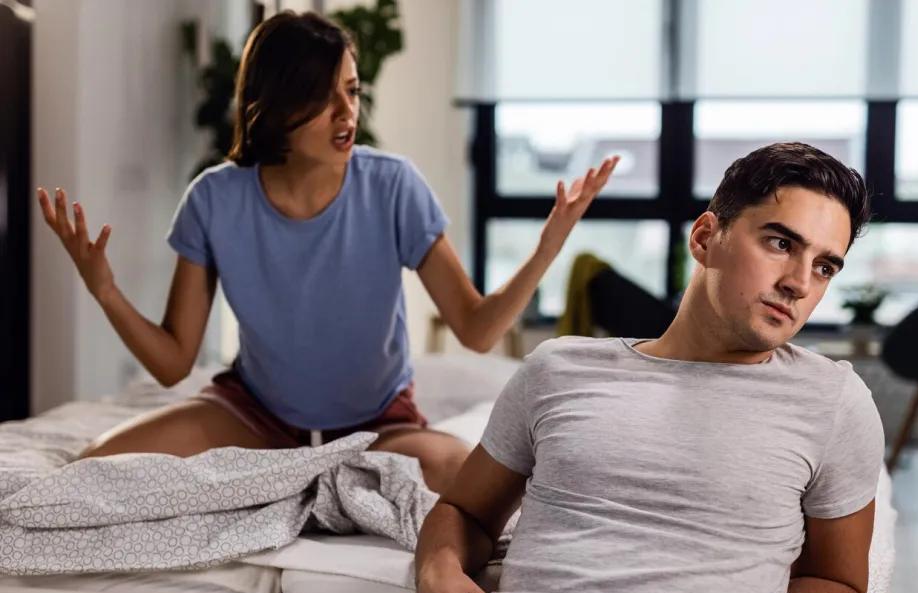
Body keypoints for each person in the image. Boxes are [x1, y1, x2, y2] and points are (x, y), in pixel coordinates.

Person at [35, 11, 617, 494]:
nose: (348, 113)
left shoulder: (392, 185)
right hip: (254, 418)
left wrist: (547, 247)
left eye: (353, 90)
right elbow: (172, 363)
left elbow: (476, 329)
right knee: (90, 468)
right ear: (279, 104)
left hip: (379, 426)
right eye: (324, 96)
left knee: (483, 485)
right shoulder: (214, 198)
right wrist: (104, 290)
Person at [414, 141, 882, 593]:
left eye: (824, 267)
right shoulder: (558, 369)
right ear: (706, 237)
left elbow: (839, 581)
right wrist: (437, 569)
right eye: (780, 243)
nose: (799, 283)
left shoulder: (832, 401)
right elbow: (465, 511)